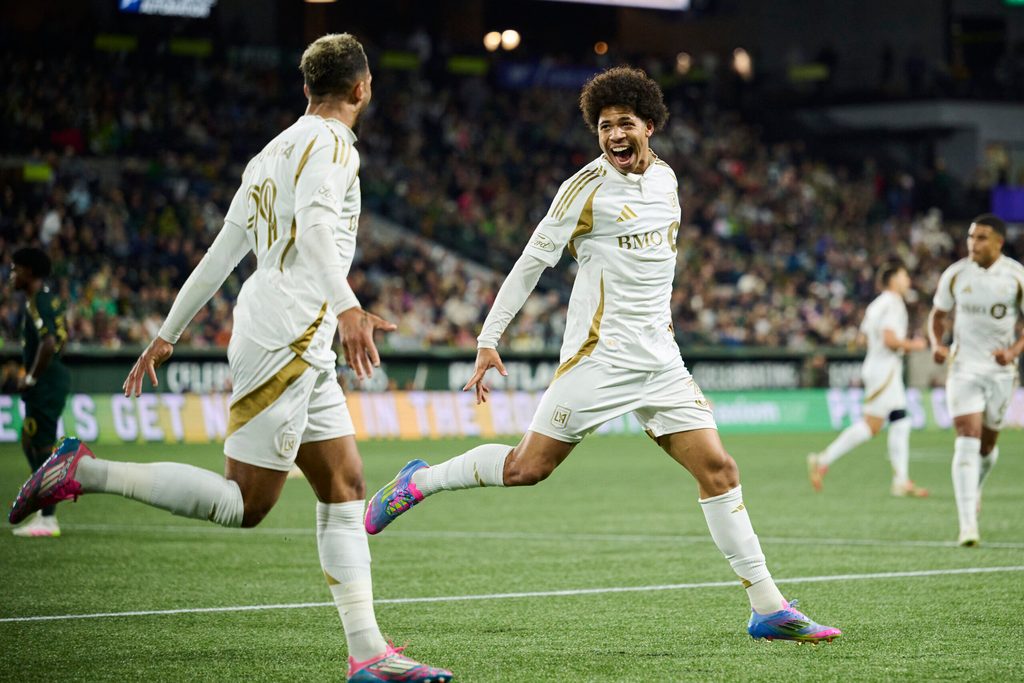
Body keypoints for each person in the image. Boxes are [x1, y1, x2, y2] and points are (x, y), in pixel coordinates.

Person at [9, 34, 451, 683]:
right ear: (362, 89)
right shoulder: (331, 145)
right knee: (244, 502)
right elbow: (320, 226)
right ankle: (86, 471)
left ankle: (368, 654)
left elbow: (224, 250)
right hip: (294, 327)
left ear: (307, 89)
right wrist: (350, 305)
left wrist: (167, 331)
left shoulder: (272, 151)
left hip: (293, 325)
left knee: (346, 484)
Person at [364, 66, 841, 644]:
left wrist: (662, 333)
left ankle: (768, 606)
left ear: (650, 126)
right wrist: (489, 339)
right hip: (599, 359)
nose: (614, 134)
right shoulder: (584, 189)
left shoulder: (666, 180)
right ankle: (421, 481)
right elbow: (530, 264)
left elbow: (654, 270)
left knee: (719, 470)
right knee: (526, 470)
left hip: (660, 362)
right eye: (604, 125)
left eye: (625, 123)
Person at [928, 213, 1024, 547]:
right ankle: (967, 524)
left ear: (999, 241)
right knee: (967, 438)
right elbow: (938, 316)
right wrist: (937, 344)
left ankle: (975, 488)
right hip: (963, 367)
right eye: (971, 236)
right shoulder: (956, 274)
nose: (973, 243)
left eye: (981, 237)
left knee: (987, 447)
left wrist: (1012, 352)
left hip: (1000, 372)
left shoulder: (1016, 276)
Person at [807, 260, 928, 496]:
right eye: (904, 276)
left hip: (880, 367)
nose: (908, 281)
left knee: (901, 420)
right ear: (893, 279)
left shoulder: (876, 305)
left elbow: (861, 339)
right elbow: (890, 340)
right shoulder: (893, 304)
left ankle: (901, 481)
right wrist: (915, 344)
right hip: (885, 369)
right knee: (871, 426)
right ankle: (823, 459)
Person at [9, 247, 70, 538]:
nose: (11, 275)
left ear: (29, 272)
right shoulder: (51, 300)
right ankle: (41, 499)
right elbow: (62, 337)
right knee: (27, 438)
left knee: (42, 445)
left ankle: (48, 518)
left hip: (45, 382)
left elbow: (48, 344)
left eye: (15, 268)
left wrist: (31, 377)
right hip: (52, 379)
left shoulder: (37, 303)